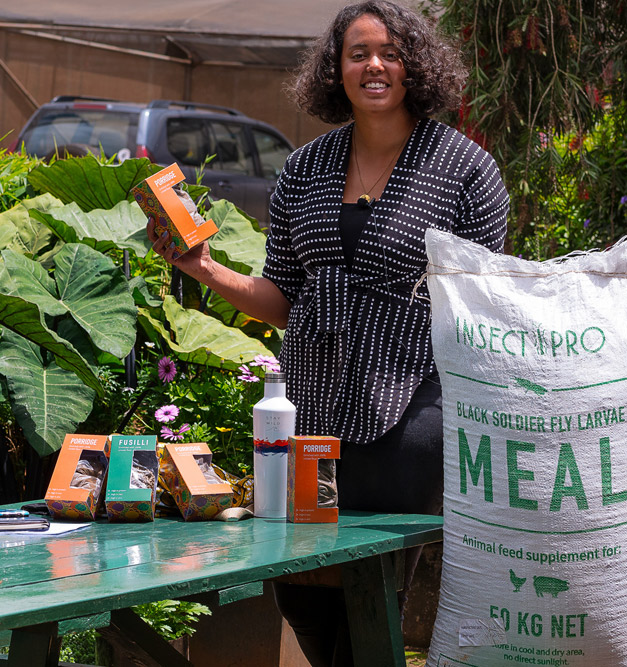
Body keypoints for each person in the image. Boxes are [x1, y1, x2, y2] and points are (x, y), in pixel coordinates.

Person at [148, 1, 509, 664]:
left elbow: (486, 306)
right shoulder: (305, 169)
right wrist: (203, 267)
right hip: (309, 414)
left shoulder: (463, 171)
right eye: (358, 53)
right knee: (302, 590)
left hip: (412, 412)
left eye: (390, 52)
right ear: (335, 70)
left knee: (373, 595)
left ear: (414, 66)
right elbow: (282, 298)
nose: (375, 65)